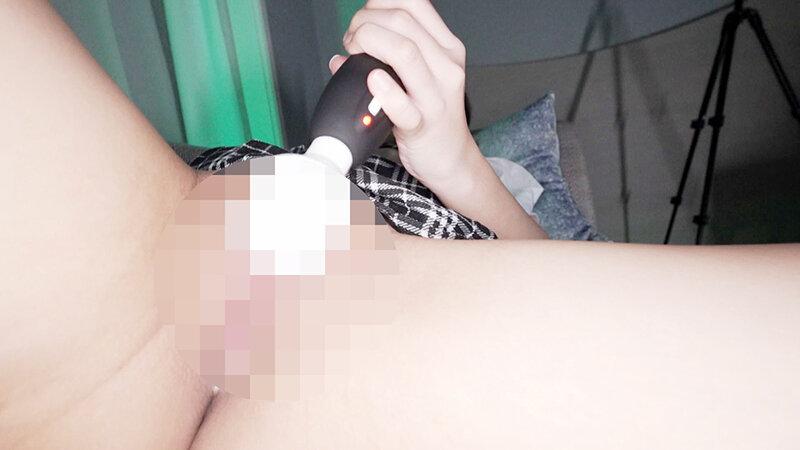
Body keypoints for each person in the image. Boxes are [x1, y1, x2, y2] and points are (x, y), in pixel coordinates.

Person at [0, 0, 798, 449]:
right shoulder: (302, 162)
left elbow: (562, 277)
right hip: (180, 243)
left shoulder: (478, 205)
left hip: (366, 317)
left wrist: (462, 166)